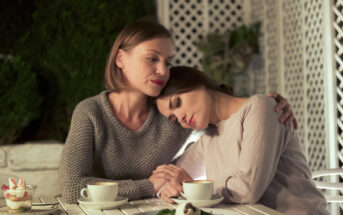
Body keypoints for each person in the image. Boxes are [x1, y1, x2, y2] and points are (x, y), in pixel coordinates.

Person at [59, 19, 297, 204]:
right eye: (152, 59)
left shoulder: (170, 116)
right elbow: (71, 188)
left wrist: (271, 104)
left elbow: (226, 114)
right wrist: (149, 186)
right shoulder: (91, 112)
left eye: (168, 61)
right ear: (121, 59)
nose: (162, 70)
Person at [153, 66, 329, 215]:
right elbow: (166, 177)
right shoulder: (209, 138)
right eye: (174, 119)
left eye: (177, 103)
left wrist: (191, 188)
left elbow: (247, 189)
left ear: (197, 84)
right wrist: (168, 190)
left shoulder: (262, 107)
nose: (180, 118)